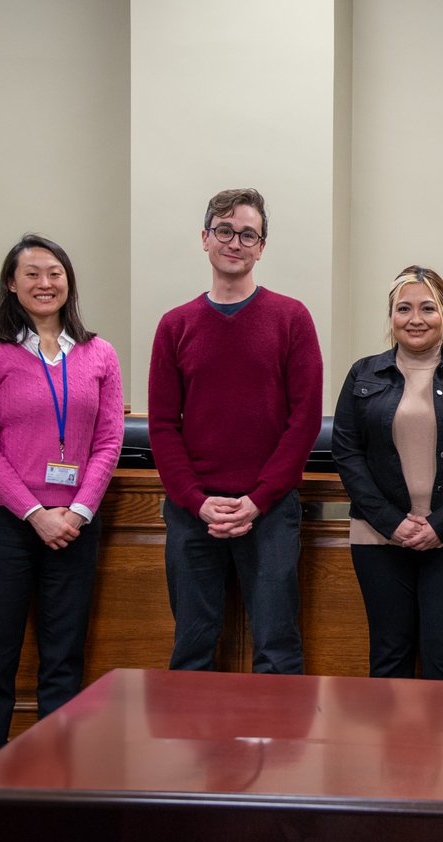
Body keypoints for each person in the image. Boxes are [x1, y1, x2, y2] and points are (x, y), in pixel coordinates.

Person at [0, 234, 123, 764]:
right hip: (5, 525)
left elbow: (109, 440)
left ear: (68, 280)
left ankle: (55, 781)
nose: (44, 283)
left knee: (63, 660)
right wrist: (34, 514)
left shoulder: (99, 354)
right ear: (11, 284)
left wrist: (76, 511)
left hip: (75, 526)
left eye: (54, 272)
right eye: (31, 274)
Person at [149, 188, 323, 674]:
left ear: (262, 247)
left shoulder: (291, 318)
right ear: (205, 238)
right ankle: (195, 752)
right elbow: (162, 425)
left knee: (277, 646)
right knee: (192, 647)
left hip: (269, 511)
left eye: (248, 234)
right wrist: (195, 499)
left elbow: (305, 419)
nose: (235, 242)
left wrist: (259, 498)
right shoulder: (175, 326)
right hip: (192, 511)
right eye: (224, 231)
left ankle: (278, 751)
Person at [332, 265, 443, 680]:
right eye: (403, 308)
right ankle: (391, 748)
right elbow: (347, 452)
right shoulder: (363, 374)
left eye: (428, 308)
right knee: (389, 657)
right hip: (378, 537)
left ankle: (440, 748)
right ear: (391, 316)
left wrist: (440, 525)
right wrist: (392, 523)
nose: (415, 318)